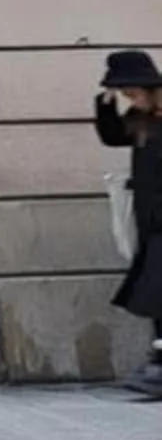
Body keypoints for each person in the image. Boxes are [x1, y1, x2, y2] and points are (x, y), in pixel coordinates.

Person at [94, 48, 162, 401]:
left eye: (132, 93)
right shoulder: (142, 120)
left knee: (156, 292)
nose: (129, 100)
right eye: (125, 95)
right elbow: (111, 135)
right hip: (152, 223)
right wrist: (105, 103)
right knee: (155, 294)